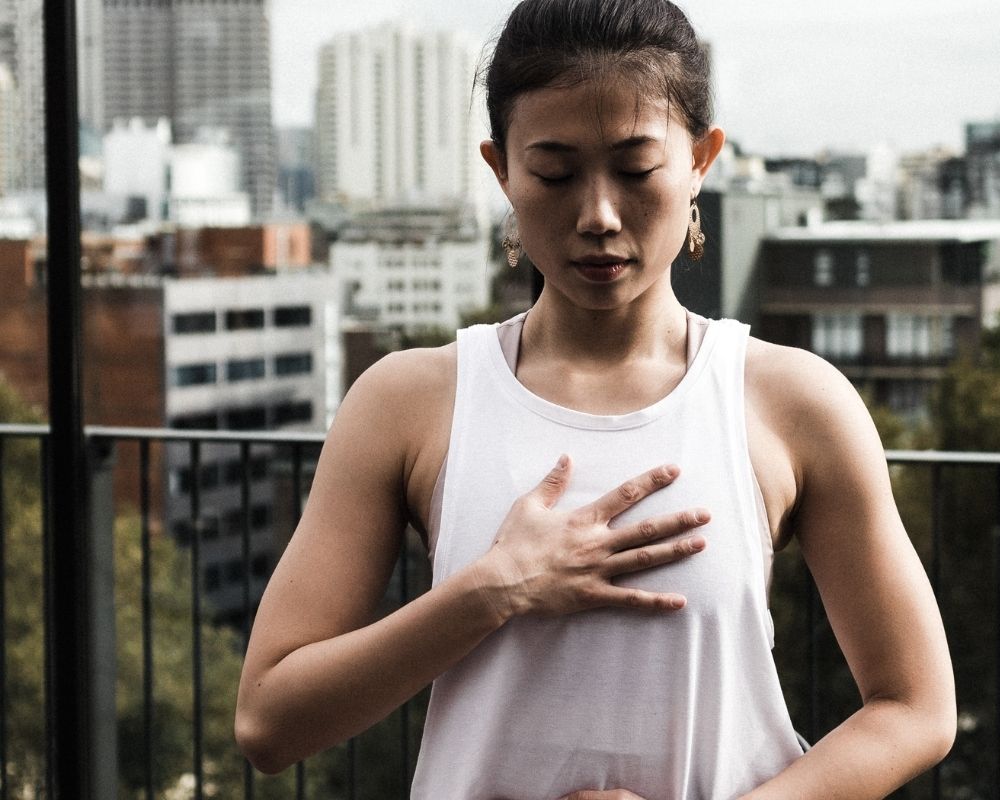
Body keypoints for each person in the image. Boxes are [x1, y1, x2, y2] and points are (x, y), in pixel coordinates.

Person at [235, 0, 956, 796]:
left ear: (701, 161)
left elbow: (916, 706)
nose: (598, 214)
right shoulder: (409, 402)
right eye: (554, 172)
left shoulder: (792, 403)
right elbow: (269, 720)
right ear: (500, 170)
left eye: (636, 168)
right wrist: (490, 589)